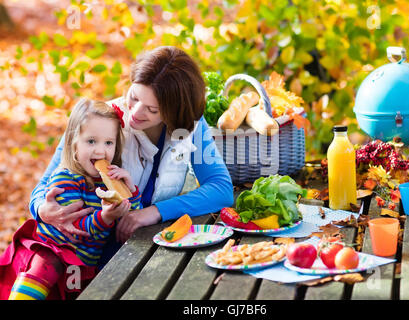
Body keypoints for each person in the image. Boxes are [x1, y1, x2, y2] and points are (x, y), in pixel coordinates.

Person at [29, 46, 234, 268]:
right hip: (88, 248)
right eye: (134, 97)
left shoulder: (190, 126)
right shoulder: (100, 120)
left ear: (174, 111)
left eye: (152, 110)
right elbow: (42, 187)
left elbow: (220, 189)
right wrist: (41, 208)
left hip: (150, 245)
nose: (135, 113)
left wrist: (154, 212)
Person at [0, 99, 142, 300]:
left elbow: (132, 216)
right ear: (74, 145)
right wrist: (105, 217)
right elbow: (74, 226)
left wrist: (130, 191)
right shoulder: (65, 178)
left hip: (82, 264)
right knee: (43, 269)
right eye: (91, 141)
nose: (101, 151)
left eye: (108, 143)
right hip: (55, 250)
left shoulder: (108, 181)